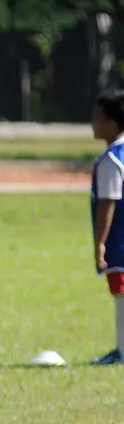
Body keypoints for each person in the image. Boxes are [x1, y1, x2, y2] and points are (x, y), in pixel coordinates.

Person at [90, 89, 124, 365]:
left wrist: (100, 241)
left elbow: (107, 203)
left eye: (97, 117)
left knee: (120, 289)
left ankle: (122, 351)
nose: (93, 122)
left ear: (112, 122)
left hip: (119, 239)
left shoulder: (111, 160)